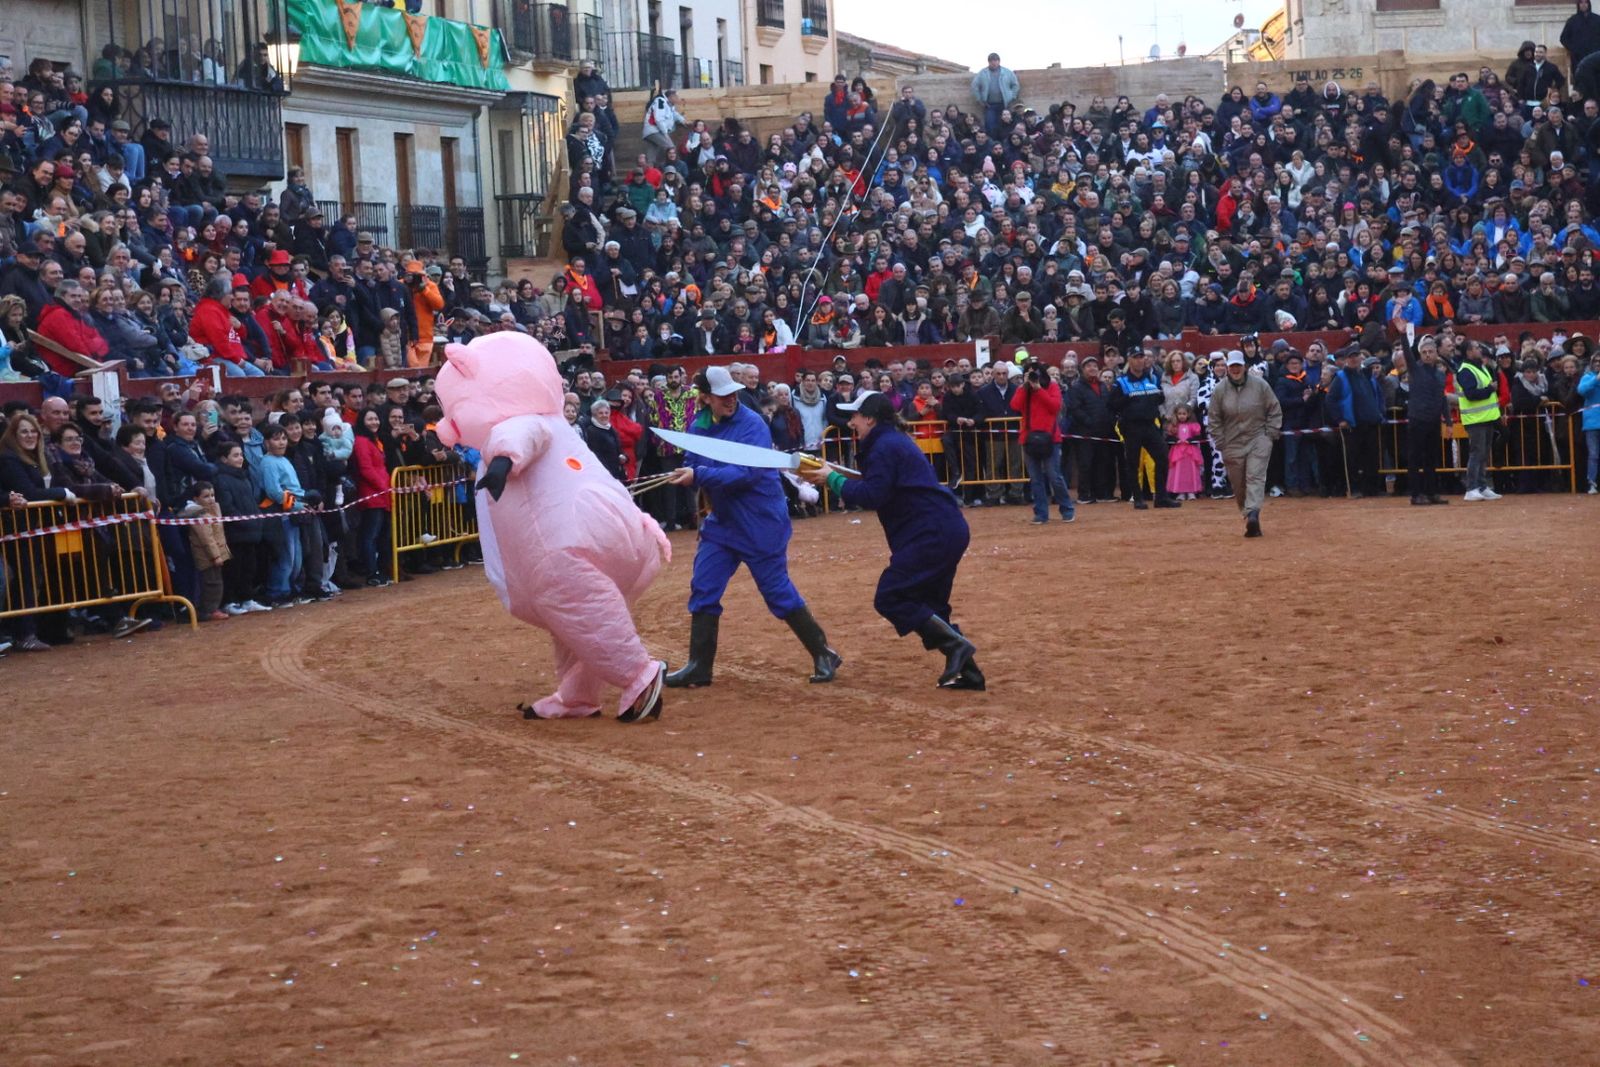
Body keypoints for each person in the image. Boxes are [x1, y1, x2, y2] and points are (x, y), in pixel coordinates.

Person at [662, 366, 839, 688]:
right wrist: (687, 473)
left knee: (777, 593)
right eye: (722, 396)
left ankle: (823, 651)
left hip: (760, 522)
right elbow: (692, 461)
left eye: (732, 394)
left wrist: (698, 476)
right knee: (704, 586)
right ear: (705, 398)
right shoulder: (699, 426)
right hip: (724, 522)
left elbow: (746, 473)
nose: (731, 399)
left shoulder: (753, 424)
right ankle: (699, 666)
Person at [802, 391, 984, 691]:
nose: (850, 423)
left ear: (871, 418)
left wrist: (832, 480)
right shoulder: (890, 442)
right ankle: (969, 673)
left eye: (855, 417)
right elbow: (877, 483)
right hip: (942, 528)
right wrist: (834, 474)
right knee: (932, 605)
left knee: (890, 596)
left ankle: (957, 648)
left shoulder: (884, 446)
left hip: (930, 532)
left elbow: (873, 494)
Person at [1207, 350, 1283, 537]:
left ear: (1244, 367)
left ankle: (1253, 514)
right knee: (1238, 483)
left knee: (1255, 476)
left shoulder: (1260, 385)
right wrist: (1221, 441)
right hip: (1231, 442)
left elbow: (1274, 408)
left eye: (1238, 366)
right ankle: (1248, 513)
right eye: (1231, 366)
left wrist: (1270, 435)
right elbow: (1214, 418)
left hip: (1258, 438)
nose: (1235, 369)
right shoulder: (1219, 390)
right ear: (1227, 368)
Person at [1110, 349, 1182, 510]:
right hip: (1131, 426)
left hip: (1150, 424)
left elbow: (1160, 397)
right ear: (1130, 359)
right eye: (1136, 358)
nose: (1140, 360)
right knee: (1133, 463)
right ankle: (1137, 498)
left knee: (1163, 457)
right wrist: (1128, 399)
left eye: (1142, 357)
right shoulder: (1121, 382)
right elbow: (1112, 405)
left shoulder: (1152, 378)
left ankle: (1161, 497)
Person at [1010, 353, 1074, 524]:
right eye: (1030, 372)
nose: (1033, 376)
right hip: (1029, 438)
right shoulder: (1023, 389)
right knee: (1036, 478)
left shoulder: (1052, 387)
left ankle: (1067, 508)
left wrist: (1038, 389)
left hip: (1051, 438)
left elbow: (1055, 407)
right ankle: (1041, 513)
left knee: (1055, 476)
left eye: (1035, 372)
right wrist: (1025, 386)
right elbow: (1015, 406)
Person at [1403, 337, 1451, 506]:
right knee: (1415, 458)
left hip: (1433, 420)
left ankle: (1431, 493)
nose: (1428, 355)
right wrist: (1403, 335)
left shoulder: (1439, 374)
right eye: (1424, 352)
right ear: (1420, 355)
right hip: (1418, 420)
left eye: (1430, 352)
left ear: (1436, 353)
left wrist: (1449, 422)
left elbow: (1442, 398)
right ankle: (1416, 494)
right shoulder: (1415, 369)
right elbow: (1407, 354)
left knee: (1431, 459)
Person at [1456, 339, 1505, 501]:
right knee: (1476, 454)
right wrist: (1490, 389)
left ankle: (1482, 486)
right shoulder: (1465, 370)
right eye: (1477, 347)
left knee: (1483, 454)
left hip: (1487, 417)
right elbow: (1471, 394)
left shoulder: (1480, 366)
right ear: (1469, 352)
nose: (1480, 350)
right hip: (1475, 419)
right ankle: (1471, 488)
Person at [1166, 404, 1204, 500]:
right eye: (1179, 414)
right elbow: (1168, 437)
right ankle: (1181, 492)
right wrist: (1175, 440)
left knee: (1191, 470)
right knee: (1179, 471)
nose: (1182, 416)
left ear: (1188, 414)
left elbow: (1198, 437)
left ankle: (1191, 491)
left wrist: (1190, 440)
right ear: (1176, 415)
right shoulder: (1174, 426)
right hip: (1178, 452)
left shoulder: (1193, 425)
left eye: (1184, 413)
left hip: (1190, 452)